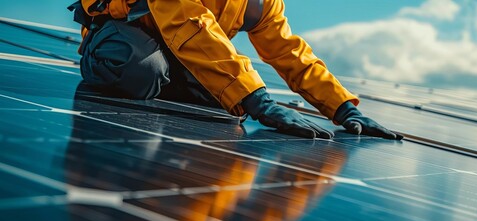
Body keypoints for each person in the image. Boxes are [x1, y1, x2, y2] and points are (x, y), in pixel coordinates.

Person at [69, 0, 402, 140]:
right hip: (125, 36)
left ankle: (175, 82)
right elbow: (191, 25)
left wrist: (342, 107)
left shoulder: (261, 3)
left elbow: (287, 49)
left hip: (187, 53)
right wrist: (259, 101)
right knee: (142, 70)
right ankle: (103, 63)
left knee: (227, 105)